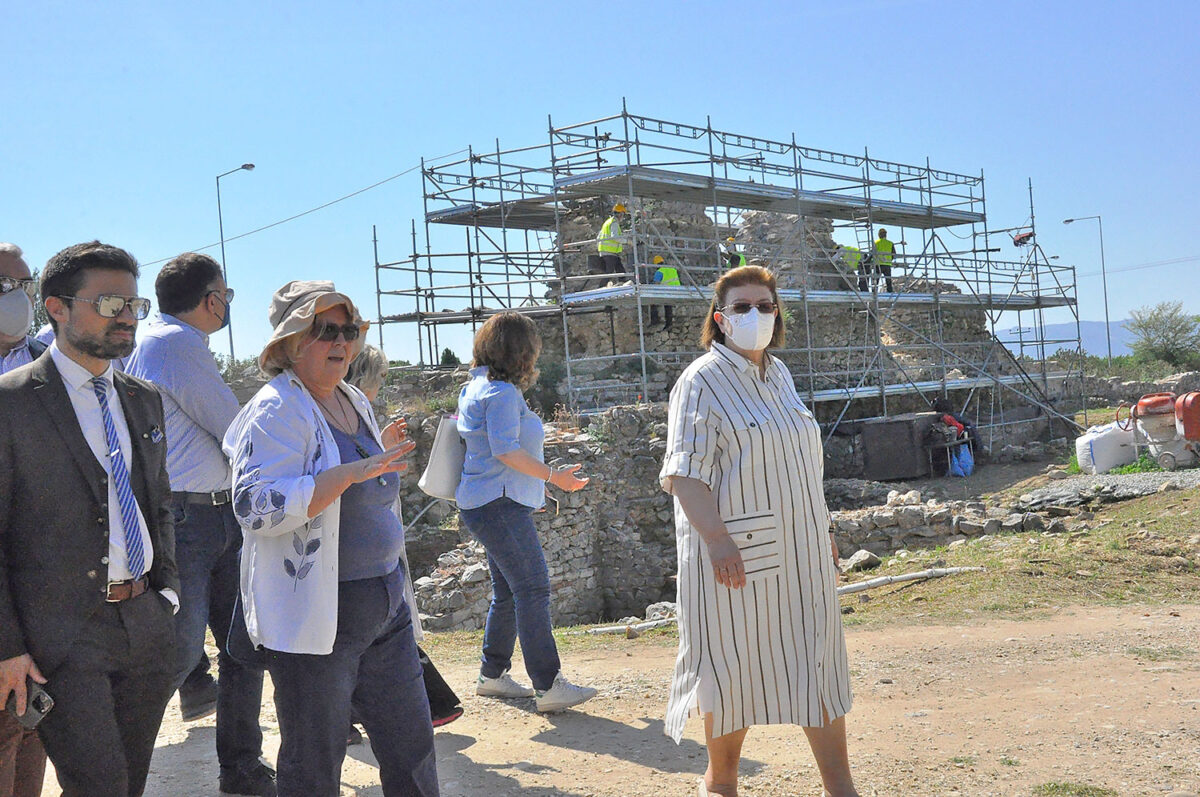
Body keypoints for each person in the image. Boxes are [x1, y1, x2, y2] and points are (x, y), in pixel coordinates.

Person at [223, 281, 437, 796]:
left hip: (385, 600)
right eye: (325, 331)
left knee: (411, 747)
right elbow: (254, 505)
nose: (340, 341)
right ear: (292, 343)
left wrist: (377, 454)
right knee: (315, 760)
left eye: (349, 330)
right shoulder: (277, 409)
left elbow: (355, 474)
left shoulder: (350, 398)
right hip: (320, 613)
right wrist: (344, 475)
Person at [659, 265, 859, 797]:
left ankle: (841, 788)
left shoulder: (782, 375)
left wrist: (823, 527)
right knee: (733, 669)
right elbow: (684, 473)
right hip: (737, 559)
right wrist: (719, 541)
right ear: (720, 319)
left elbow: (799, 466)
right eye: (743, 306)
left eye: (766, 305)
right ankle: (720, 783)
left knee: (817, 660)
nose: (756, 315)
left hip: (804, 551)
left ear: (778, 314)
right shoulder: (701, 380)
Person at [0, 241, 180, 796]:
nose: (126, 317)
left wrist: (168, 593)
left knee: (129, 784)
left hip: (146, 623)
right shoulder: (11, 403)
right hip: (63, 635)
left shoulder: (143, 398)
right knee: (97, 785)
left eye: (133, 305)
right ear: (55, 308)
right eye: (108, 304)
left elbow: (159, 505)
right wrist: (7, 645)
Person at [123, 252, 275, 796]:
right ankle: (115, 770)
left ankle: (243, 769)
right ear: (210, 298)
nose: (228, 304)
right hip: (192, 516)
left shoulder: (164, 340)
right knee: (182, 654)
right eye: (226, 295)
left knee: (242, 648)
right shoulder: (176, 344)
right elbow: (234, 427)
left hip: (206, 512)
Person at [456, 312, 597, 713]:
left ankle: (493, 675)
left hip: (486, 503)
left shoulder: (476, 387)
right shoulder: (500, 393)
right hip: (499, 505)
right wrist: (555, 477)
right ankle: (548, 685)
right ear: (520, 351)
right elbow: (505, 449)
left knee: (508, 592)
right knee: (533, 588)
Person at [344, 344, 463, 735]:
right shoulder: (347, 410)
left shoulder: (356, 412)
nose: (381, 387)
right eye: (379, 379)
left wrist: (382, 441)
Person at [0, 242, 47, 797]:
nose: (16, 298)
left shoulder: (51, 364)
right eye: (3, 286)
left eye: (24, 285)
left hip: (45, 591)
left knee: (32, 724)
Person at [649, 255, 680, 331]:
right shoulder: (672, 269)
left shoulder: (659, 271)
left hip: (667, 291)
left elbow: (656, 285)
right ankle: (669, 324)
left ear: (656, 265)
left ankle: (655, 320)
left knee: (652, 302)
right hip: (678, 291)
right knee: (668, 305)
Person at [597, 202, 628, 277]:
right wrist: (628, 241)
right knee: (608, 275)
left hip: (607, 252)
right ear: (620, 214)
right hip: (609, 252)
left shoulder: (608, 222)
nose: (623, 217)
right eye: (623, 214)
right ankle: (601, 288)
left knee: (620, 271)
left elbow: (598, 237)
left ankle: (623, 283)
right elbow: (615, 237)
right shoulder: (614, 223)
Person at [871, 228, 896, 293]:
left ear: (879, 235)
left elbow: (872, 253)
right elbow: (894, 254)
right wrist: (889, 259)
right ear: (885, 235)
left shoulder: (876, 242)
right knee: (888, 280)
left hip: (878, 264)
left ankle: (874, 292)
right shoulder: (890, 243)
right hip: (887, 264)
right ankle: (890, 292)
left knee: (875, 280)